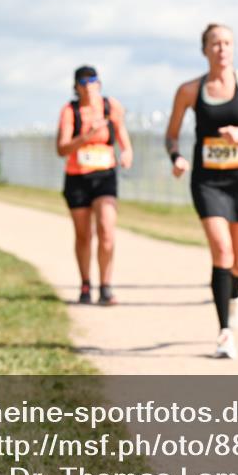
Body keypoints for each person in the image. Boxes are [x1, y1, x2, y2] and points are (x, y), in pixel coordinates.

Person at [165, 24, 238, 359]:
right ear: (205, 50)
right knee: (222, 252)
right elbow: (171, 134)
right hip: (208, 182)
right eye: (215, 43)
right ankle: (224, 333)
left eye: (227, 43)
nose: (222, 49)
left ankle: (233, 294)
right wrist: (176, 157)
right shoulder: (189, 90)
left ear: (233, 49)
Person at [56, 65, 134, 306]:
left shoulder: (111, 107)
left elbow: (123, 138)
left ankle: (106, 286)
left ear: (99, 83)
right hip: (77, 177)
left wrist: (127, 153)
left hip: (105, 176)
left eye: (93, 80)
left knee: (107, 231)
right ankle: (85, 284)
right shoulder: (70, 111)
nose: (89, 86)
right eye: (83, 82)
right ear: (77, 87)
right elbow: (62, 148)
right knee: (83, 235)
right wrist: (86, 137)